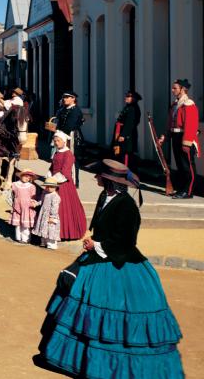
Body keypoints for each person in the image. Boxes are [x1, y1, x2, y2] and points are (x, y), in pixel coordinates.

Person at [37, 159, 184, 378]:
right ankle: (76, 358)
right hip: (98, 257)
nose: (95, 178)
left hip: (119, 262)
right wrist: (93, 242)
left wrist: (96, 245)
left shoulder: (127, 206)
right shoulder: (104, 197)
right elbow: (102, 229)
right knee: (74, 294)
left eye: (99, 176)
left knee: (113, 314)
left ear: (108, 181)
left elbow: (126, 241)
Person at [157, 79, 200, 199]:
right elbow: (171, 124)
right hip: (176, 137)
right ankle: (182, 189)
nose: (172, 90)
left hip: (185, 138)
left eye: (175, 88)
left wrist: (186, 143)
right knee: (180, 166)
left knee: (187, 166)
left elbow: (191, 126)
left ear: (183, 89)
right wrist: (164, 137)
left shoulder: (188, 104)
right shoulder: (175, 105)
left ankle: (188, 191)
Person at [50, 131, 86, 240]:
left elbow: (65, 172)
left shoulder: (68, 154)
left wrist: (53, 180)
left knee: (64, 209)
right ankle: (51, 232)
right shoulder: (56, 152)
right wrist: (49, 176)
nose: (56, 143)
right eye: (55, 141)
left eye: (58, 140)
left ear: (64, 141)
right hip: (54, 183)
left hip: (63, 184)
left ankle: (65, 233)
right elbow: (52, 167)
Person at [55, 91, 84, 186]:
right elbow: (59, 120)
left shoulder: (75, 110)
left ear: (73, 99)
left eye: (67, 97)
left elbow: (69, 126)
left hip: (72, 136)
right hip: (62, 136)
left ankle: (74, 182)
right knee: (62, 158)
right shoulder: (64, 109)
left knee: (72, 158)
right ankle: (63, 177)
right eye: (64, 97)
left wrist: (59, 132)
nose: (65, 99)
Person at [111, 90, 142, 166]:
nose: (126, 97)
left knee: (125, 154)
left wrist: (123, 135)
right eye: (126, 95)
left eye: (128, 96)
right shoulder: (128, 107)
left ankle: (126, 172)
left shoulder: (133, 108)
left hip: (127, 135)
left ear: (133, 98)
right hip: (121, 132)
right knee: (118, 152)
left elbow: (130, 123)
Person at [32, 173, 62, 250]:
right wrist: (36, 203)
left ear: (55, 187)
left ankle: (51, 244)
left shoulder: (55, 196)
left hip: (50, 215)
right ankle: (44, 241)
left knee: (50, 229)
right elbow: (41, 201)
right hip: (43, 214)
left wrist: (52, 216)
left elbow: (54, 207)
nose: (48, 188)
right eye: (47, 186)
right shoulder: (45, 193)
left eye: (51, 187)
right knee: (43, 227)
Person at [9, 169, 38, 243]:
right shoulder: (15, 184)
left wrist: (33, 203)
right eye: (25, 176)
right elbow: (11, 194)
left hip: (27, 207)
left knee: (25, 224)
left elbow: (33, 197)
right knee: (18, 224)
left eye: (29, 177)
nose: (27, 178)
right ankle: (18, 237)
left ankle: (25, 239)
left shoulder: (31, 186)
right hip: (17, 206)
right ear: (21, 176)